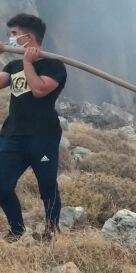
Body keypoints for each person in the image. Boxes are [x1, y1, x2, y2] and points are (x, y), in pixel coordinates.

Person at [0, 14, 67, 242]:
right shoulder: (13, 65)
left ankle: (51, 231)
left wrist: (29, 63)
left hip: (43, 137)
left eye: (14, 34)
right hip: (12, 136)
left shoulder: (54, 66)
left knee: (47, 186)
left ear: (28, 37)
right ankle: (17, 230)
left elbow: (39, 90)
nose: (11, 39)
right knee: (1, 185)